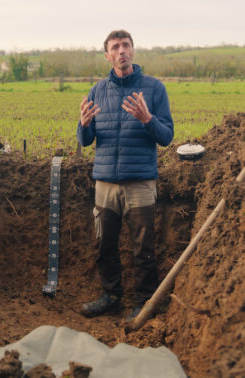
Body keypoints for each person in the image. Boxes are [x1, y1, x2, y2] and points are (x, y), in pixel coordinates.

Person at [77, 30, 174, 322]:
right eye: (115, 47)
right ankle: (111, 295)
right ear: (107, 55)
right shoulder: (97, 91)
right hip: (105, 182)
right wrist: (83, 125)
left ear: (133, 51)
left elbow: (167, 136)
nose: (122, 51)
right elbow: (86, 140)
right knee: (105, 245)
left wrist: (148, 120)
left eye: (126, 45)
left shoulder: (154, 89)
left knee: (143, 248)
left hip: (140, 182)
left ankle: (143, 302)